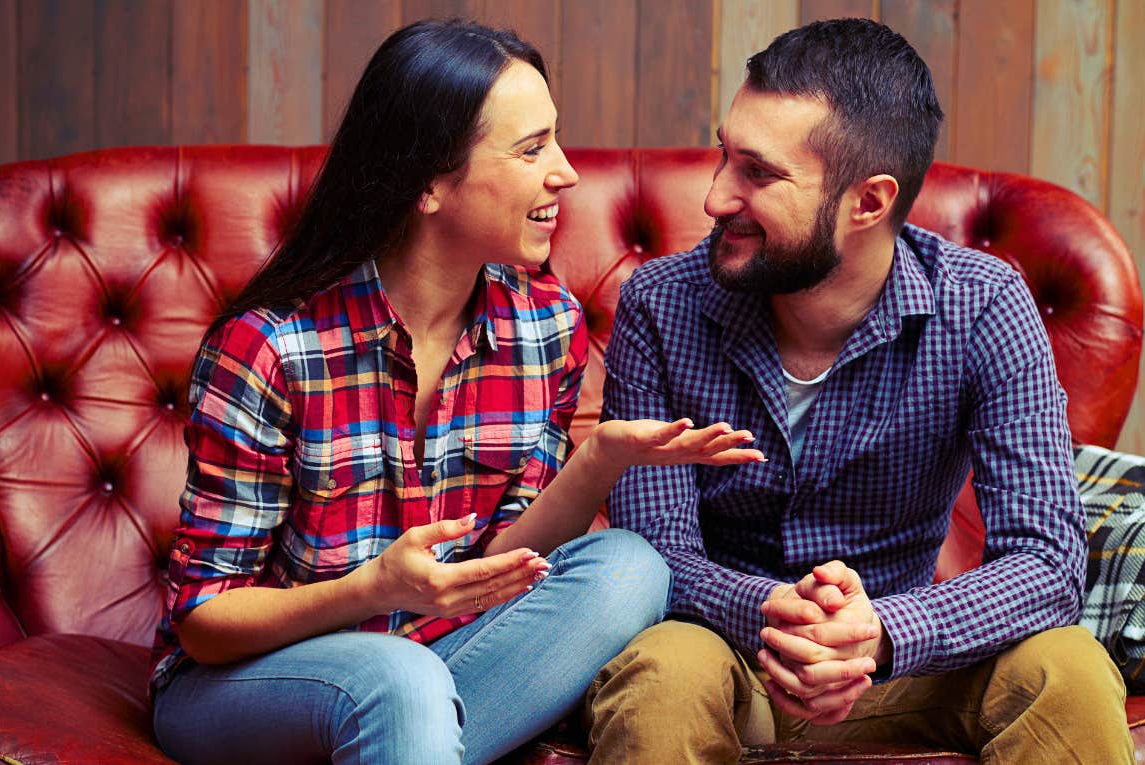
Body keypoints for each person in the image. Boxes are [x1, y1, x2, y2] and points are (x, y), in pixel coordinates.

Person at [148, 19, 763, 765]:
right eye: (532, 148)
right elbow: (205, 620)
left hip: (446, 652)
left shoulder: (547, 325)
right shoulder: (273, 347)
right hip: (246, 679)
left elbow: (502, 560)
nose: (565, 172)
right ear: (430, 183)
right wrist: (372, 589)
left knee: (631, 566)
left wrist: (596, 460)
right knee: (397, 680)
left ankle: (400, 741)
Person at [584, 18, 1134, 765]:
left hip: (915, 664)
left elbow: (1046, 562)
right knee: (661, 670)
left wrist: (881, 631)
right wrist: (769, 610)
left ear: (868, 202)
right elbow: (654, 554)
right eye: (725, 156)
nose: (716, 197)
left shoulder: (982, 305)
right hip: (725, 653)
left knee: (1066, 667)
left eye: (759, 172)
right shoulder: (660, 303)